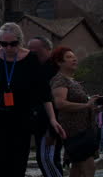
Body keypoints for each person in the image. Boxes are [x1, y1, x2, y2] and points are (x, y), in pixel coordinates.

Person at [0, 23, 65, 177]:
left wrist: (53, 119)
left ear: (20, 41)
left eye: (13, 44)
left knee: (17, 167)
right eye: (4, 44)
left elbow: (44, 92)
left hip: (21, 120)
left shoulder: (31, 59)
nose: (8, 48)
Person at [51, 47, 103, 177]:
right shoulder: (60, 80)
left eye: (74, 56)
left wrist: (98, 107)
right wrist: (87, 105)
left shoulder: (72, 81)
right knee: (89, 167)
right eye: (69, 57)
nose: (74, 59)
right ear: (59, 62)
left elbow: (83, 106)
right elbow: (60, 103)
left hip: (84, 129)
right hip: (74, 131)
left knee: (77, 168)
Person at [27, 36, 63, 177]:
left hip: (48, 126)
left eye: (35, 52)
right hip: (40, 124)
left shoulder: (52, 72)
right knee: (45, 160)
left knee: (48, 160)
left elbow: (55, 103)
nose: (32, 55)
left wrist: (52, 131)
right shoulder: (38, 69)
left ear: (48, 50)